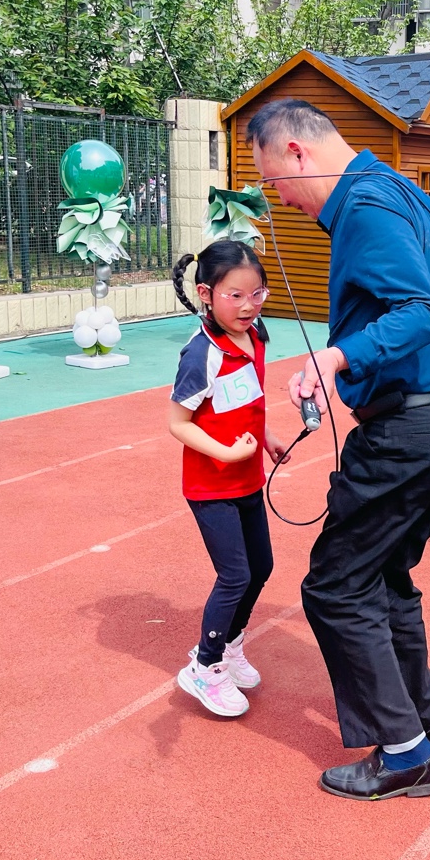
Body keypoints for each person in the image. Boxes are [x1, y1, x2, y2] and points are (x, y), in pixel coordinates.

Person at [248, 99, 430, 801]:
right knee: (384, 576)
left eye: (275, 182)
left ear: (299, 153)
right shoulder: (399, 188)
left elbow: (423, 310)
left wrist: (337, 356)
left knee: (335, 586)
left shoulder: (365, 207)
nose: (282, 200)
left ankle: (406, 753)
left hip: (407, 435)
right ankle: (426, 718)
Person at [168, 241, 289, 719]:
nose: (248, 305)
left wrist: (267, 438)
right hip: (211, 486)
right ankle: (205, 665)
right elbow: (178, 423)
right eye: (234, 295)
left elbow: (248, 400)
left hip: (247, 479)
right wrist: (225, 452)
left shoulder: (255, 337)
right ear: (206, 294)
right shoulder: (201, 352)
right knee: (235, 575)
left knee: (262, 567)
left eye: (256, 294)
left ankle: (231, 643)